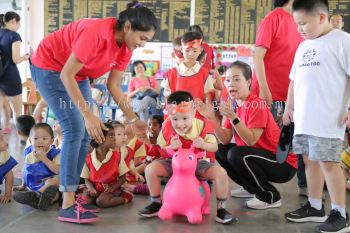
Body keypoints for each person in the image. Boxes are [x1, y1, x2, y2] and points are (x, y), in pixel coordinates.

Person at [29, 1, 157, 223]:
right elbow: (66, 74)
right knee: (74, 128)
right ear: (127, 27)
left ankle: (65, 191)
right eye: (142, 38)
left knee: (88, 134)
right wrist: (88, 114)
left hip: (77, 75)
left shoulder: (126, 48)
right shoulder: (97, 33)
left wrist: (134, 119)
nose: (143, 44)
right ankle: (68, 203)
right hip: (50, 67)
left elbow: (114, 86)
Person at [283, 1, 350, 232]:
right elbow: (294, 79)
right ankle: (314, 207)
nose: (299, 29)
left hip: (329, 119)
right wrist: (289, 108)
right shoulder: (303, 46)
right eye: (296, 24)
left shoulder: (343, 41)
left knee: (329, 164)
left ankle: (340, 214)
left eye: (303, 23)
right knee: (309, 161)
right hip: (304, 119)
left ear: (321, 17)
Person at [197, 61, 297, 209]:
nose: (231, 84)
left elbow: (251, 140)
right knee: (222, 151)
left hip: (282, 164)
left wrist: (233, 117)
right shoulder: (233, 105)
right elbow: (224, 139)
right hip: (257, 157)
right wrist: (212, 118)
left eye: (237, 79)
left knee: (236, 154)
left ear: (248, 82)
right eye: (228, 80)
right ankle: (251, 188)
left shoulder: (257, 104)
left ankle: (270, 196)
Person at [138, 91, 236, 224]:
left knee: (221, 173)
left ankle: (221, 210)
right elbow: (162, 147)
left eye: (185, 118)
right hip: (174, 163)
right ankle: (156, 203)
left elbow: (215, 147)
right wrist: (170, 147)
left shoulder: (202, 125)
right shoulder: (166, 126)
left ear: (193, 113)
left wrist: (204, 144)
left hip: (199, 162)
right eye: (175, 119)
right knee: (150, 169)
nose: (180, 124)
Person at [162, 31, 215, 118]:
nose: (191, 54)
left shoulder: (205, 74)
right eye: (187, 50)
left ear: (200, 50)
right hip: (177, 121)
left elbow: (207, 99)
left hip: (198, 120)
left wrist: (208, 118)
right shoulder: (171, 73)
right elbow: (168, 100)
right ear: (181, 50)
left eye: (194, 50)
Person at [80, 123, 132, 209]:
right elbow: (86, 180)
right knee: (85, 200)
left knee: (101, 202)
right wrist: (91, 189)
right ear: (98, 139)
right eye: (111, 135)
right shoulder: (88, 159)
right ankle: (95, 199)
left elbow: (123, 178)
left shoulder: (117, 156)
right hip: (94, 189)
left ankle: (125, 198)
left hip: (111, 189)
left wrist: (112, 188)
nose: (115, 138)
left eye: (114, 135)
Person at [13, 123, 60, 211]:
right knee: (26, 169)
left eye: (44, 138)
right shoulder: (28, 152)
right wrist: (23, 185)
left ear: (51, 140)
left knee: (54, 186)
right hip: (31, 185)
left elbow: (57, 170)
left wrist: (44, 159)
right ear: (30, 141)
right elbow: (26, 169)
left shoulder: (55, 153)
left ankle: (38, 198)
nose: (40, 141)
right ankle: (38, 199)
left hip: (47, 183)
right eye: (35, 138)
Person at [0, 12, 29, 133]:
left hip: (0, 76)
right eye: (19, 22)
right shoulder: (14, 36)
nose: (20, 25)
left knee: (3, 103)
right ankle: (21, 134)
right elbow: (16, 59)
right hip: (11, 77)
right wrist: (25, 56)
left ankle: (6, 126)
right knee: (17, 110)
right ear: (13, 20)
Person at [0, 133, 17, 203]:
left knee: (8, 171)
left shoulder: (3, 154)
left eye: (2, 138)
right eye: (0, 140)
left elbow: (9, 173)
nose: (6, 143)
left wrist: (8, 194)